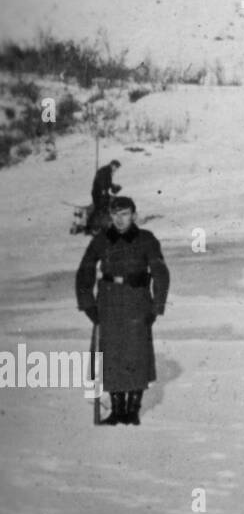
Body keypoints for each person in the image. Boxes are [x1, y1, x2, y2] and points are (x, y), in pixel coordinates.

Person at [75, 195, 169, 425]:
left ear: (134, 216)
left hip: (138, 301)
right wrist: (88, 304)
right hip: (109, 302)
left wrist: (157, 306)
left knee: (137, 354)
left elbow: (161, 273)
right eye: (115, 214)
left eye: (125, 214)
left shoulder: (147, 239)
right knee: (113, 354)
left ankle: (133, 410)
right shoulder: (101, 240)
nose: (119, 219)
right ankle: (117, 411)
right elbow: (85, 271)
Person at [90, 159, 122, 230]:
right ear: (112, 165)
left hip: (102, 193)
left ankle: (103, 224)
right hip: (98, 193)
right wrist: (103, 190)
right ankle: (91, 226)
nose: (116, 170)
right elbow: (101, 181)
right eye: (116, 167)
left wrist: (113, 186)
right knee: (99, 208)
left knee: (105, 207)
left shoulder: (108, 171)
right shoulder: (104, 171)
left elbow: (107, 182)